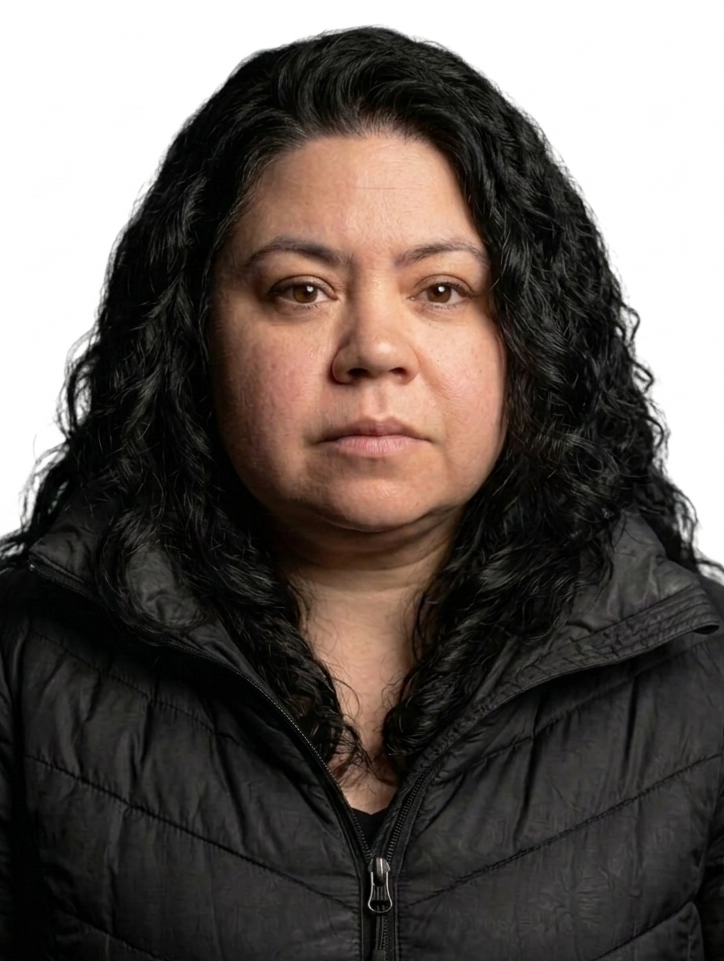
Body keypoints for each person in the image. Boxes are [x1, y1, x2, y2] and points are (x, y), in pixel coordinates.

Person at [0, 23, 723, 961]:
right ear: (193, 335)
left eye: (442, 290)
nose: (374, 348)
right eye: (301, 290)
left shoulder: (701, 679)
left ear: (531, 335)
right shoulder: (24, 668)